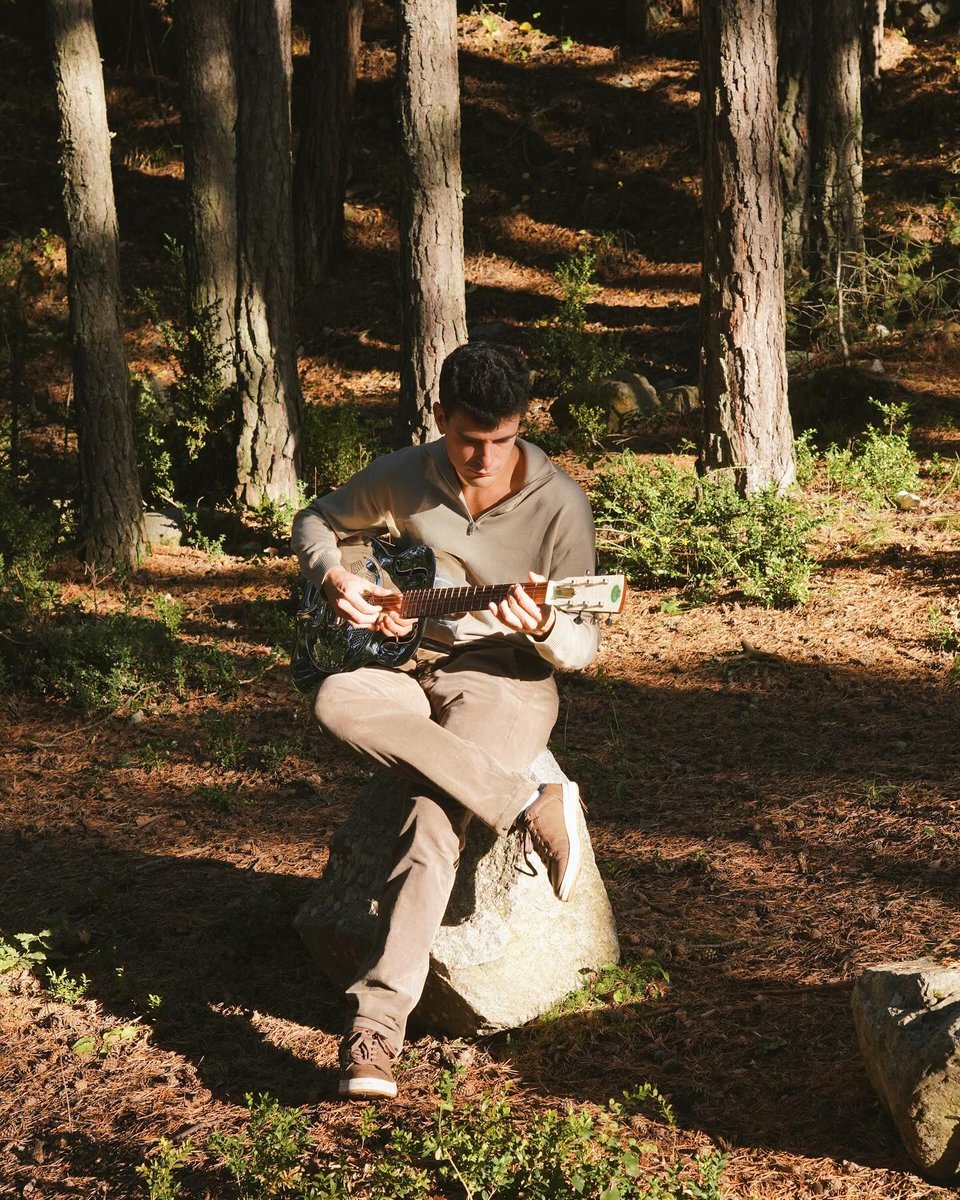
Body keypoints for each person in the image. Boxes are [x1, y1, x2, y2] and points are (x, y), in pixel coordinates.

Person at [291, 342, 600, 1100]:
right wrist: (334, 574)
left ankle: (376, 1030)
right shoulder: (405, 474)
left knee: (433, 813)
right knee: (336, 698)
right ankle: (526, 801)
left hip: (506, 679)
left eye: (504, 440)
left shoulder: (561, 506)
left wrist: (540, 626)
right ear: (440, 417)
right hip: (403, 665)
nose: (487, 458)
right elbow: (317, 520)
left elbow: (583, 645)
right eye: (470, 440)